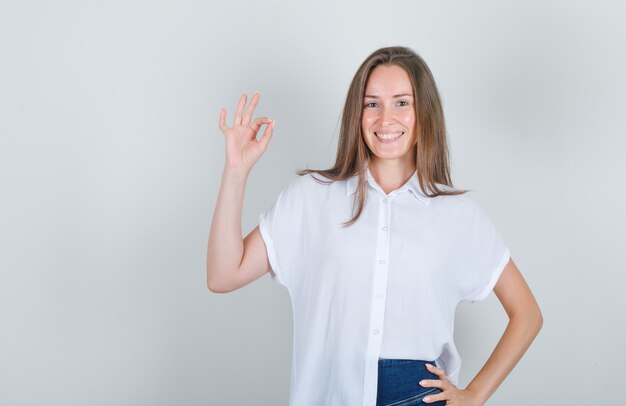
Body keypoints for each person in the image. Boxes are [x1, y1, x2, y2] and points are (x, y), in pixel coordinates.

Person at [207, 46, 543, 406]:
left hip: (418, 395)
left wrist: (475, 395)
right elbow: (224, 275)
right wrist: (236, 172)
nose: (386, 119)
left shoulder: (456, 213)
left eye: (402, 103)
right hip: (330, 392)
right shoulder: (311, 197)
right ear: (358, 113)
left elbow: (527, 314)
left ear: (423, 112)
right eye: (372, 104)